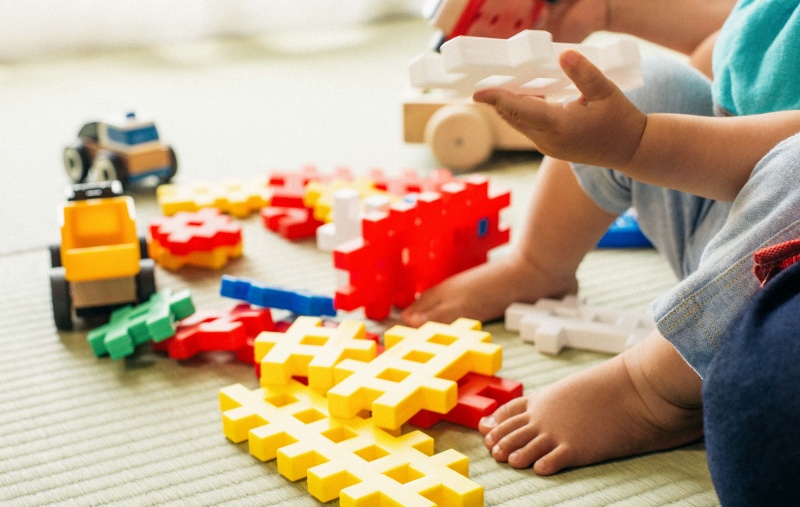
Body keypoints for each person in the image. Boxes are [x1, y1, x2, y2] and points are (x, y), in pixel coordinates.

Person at [400, 0, 800, 502]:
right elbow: (732, 48)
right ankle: (539, 265)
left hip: (780, 264)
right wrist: (605, 11)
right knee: (641, 83)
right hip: (730, 227)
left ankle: (651, 391)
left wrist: (636, 141)